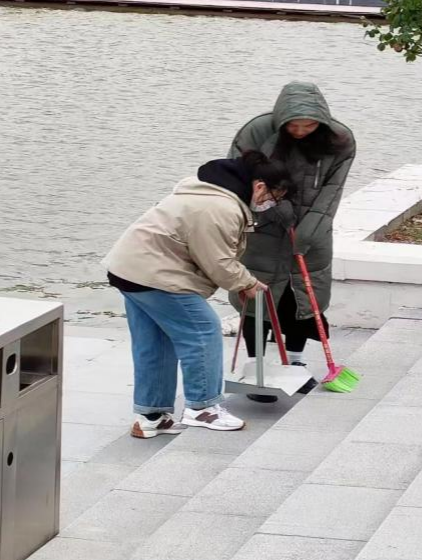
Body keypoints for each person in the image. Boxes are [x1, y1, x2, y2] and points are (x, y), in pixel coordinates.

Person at [102, 152, 296, 436]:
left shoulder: (208, 192)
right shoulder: (222, 208)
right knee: (203, 330)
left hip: (129, 268)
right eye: (274, 196)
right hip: (157, 274)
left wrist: (242, 282)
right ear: (259, 186)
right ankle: (202, 407)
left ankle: (151, 416)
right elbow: (218, 261)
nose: (271, 204)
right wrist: (247, 283)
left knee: (155, 342)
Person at [228, 82, 356, 402]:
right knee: (256, 302)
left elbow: (332, 193)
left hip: (311, 235)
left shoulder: (340, 140)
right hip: (261, 231)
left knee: (301, 302)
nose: (300, 131)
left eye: (309, 125)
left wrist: (308, 233)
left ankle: (295, 364)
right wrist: (267, 208)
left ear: (322, 122)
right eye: (293, 125)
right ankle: (257, 368)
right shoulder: (257, 131)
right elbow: (237, 178)